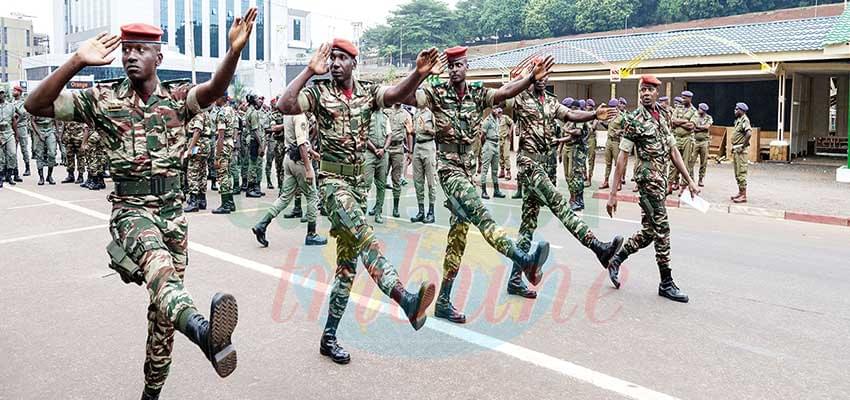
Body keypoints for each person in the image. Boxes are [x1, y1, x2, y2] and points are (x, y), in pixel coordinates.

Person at [24, 12, 258, 398]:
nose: (131, 55)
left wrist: (234, 51)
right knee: (160, 269)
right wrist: (77, 61)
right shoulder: (102, 100)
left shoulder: (179, 99)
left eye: (141, 49)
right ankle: (203, 332)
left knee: (164, 318)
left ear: (158, 57)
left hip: (173, 215)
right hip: (132, 213)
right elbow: (37, 104)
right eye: (126, 49)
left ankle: (151, 393)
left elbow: (216, 88)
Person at [277, 38, 442, 364]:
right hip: (331, 185)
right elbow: (285, 104)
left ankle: (328, 338)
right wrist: (310, 70)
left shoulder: (369, 92)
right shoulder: (318, 93)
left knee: (346, 271)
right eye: (332, 58)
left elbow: (395, 94)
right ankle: (406, 298)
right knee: (367, 238)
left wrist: (418, 74)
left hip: (356, 186)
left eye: (342, 58)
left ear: (355, 62)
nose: (335, 63)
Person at [407, 47, 553, 324]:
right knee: (483, 218)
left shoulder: (477, 93)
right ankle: (526, 260)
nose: (454, 70)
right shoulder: (436, 92)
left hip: (468, 171)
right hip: (449, 172)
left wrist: (531, 79)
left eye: (458, 65)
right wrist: (420, 74)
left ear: (467, 67)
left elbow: (505, 93)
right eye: (450, 66)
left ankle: (444, 301)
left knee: (457, 239)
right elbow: (405, 97)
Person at [502, 74, 623, 299]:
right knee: (560, 205)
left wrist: (594, 114)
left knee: (528, 225)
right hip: (529, 164)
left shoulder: (549, 101)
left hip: (545, 164)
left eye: (544, 76)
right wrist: (522, 79)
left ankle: (515, 279)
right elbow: (501, 96)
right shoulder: (519, 98)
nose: (541, 79)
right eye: (537, 75)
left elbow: (570, 114)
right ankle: (598, 247)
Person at [605, 74, 698, 304]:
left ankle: (616, 259)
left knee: (649, 232)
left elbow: (673, 150)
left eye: (649, 90)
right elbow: (623, 157)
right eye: (642, 90)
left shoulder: (665, 115)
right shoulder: (633, 120)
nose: (645, 93)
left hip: (661, 182)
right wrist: (613, 193)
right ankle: (666, 283)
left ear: (657, 93)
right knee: (662, 230)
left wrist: (689, 180)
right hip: (647, 182)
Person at [251, 112, 328, 247]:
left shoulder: (288, 113)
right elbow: (301, 144)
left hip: (289, 158)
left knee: (284, 197)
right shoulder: (299, 115)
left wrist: (312, 152)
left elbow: (296, 140)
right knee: (312, 196)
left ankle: (262, 225)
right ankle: (311, 234)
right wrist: (309, 168)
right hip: (299, 161)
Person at [408, 105, 438, 224]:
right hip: (418, 146)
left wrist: (427, 129)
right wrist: (411, 129)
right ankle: (421, 211)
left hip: (428, 146)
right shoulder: (416, 113)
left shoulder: (431, 114)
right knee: (418, 182)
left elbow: (438, 133)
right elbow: (415, 130)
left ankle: (431, 212)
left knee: (431, 182)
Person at [363, 108, 391, 223]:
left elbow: (389, 135)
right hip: (370, 153)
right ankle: (362, 212)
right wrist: (375, 149)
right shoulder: (367, 115)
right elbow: (364, 135)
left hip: (383, 155)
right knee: (366, 184)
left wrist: (383, 149)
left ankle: (378, 212)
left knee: (381, 185)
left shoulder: (385, 116)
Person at [211, 94, 239, 213]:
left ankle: (225, 204)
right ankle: (230, 203)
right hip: (230, 144)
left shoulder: (222, 113)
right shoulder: (231, 110)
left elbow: (221, 135)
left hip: (223, 144)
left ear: (221, 98)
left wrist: (217, 156)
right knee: (226, 174)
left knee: (222, 175)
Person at [183, 109, 213, 212]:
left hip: (198, 145)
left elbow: (197, 130)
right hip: (205, 145)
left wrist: (190, 148)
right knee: (202, 172)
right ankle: (202, 200)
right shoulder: (206, 113)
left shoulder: (198, 113)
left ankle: (193, 201)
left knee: (192, 172)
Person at [669, 90, 698, 193]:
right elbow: (672, 121)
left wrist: (679, 123)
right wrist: (685, 121)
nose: (683, 99)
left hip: (687, 139)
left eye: (685, 98)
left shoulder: (694, 111)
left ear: (690, 99)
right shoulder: (678, 108)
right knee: (673, 162)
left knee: (685, 163)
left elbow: (691, 126)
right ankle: (669, 185)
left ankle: (683, 187)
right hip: (676, 138)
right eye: (682, 97)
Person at [386, 103, 411, 218]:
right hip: (385, 148)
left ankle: (395, 208)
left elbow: (410, 133)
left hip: (398, 149)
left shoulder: (406, 114)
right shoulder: (386, 111)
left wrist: (410, 151)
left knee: (396, 179)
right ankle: (378, 206)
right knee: (381, 178)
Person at [479, 108, 505, 199]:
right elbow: (482, 136)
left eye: (498, 108)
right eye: (494, 108)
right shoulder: (487, 121)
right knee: (485, 169)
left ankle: (496, 190)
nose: (497, 110)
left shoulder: (497, 119)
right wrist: (484, 147)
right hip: (489, 143)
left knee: (495, 169)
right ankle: (483, 191)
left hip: (496, 144)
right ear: (491, 110)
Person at [244, 94, 266, 198]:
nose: (259, 100)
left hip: (252, 139)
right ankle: (250, 188)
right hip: (254, 140)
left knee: (254, 164)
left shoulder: (249, 110)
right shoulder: (253, 113)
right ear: (253, 100)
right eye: (257, 99)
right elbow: (255, 130)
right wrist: (261, 144)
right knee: (253, 165)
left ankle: (253, 188)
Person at [600, 98, 624, 190]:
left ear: (617, 107)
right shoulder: (609, 116)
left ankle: (618, 183)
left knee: (617, 164)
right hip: (608, 141)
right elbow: (608, 127)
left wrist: (620, 131)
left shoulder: (621, 117)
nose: (612, 109)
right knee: (608, 163)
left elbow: (628, 129)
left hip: (616, 142)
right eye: (610, 107)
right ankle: (606, 181)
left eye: (613, 107)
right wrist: (602, 123)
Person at [731, 102, 752, 203]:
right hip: (736, 149)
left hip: (741, 151)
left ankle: (743, 195)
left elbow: (748, 133)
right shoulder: (739, 120)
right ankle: (740, 192)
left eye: (737, 109)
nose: (735, 111)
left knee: (741, 172)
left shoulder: (745, 120)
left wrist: (743, 146)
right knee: (737, 172)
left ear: (741, 111)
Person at [30, 114, 59, 185]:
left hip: (50, 130)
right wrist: (39, 134)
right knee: (39, 154)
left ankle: (49, 176)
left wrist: (57, 132)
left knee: (52, 153)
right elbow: (32, 121)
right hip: (39, 130)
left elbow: (55, 119)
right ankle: (41, 177)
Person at [0, 87, 20, 186]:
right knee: (1, 158)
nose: (0, 95)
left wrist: (16, 135)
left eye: (1, 93)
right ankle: (1, 177)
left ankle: (9, 175)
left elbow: (14, 121)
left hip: (9, 132)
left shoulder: (10, 106)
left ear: (4, 94)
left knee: (12, 153)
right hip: (0, 133)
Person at [12, 86, 32, 178]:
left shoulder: (23, 103)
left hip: (21, 127)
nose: (13, 91)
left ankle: (27, 168)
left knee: (24, 149)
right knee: (13, 150)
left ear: (19, 92)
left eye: (15, 90)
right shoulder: (11, 102)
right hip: (12, 128)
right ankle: (14, 169)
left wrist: (15, 118)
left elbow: (23, 114)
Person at [692, 103, 713, 187]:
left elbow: (707, 127)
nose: (699, 110)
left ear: (704, 111)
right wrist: (701, 128)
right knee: (691, 161)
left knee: (703, 162)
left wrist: (697, 128)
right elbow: (693, 127)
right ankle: (691, 178)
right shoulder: (694, 117)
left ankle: (701, 179)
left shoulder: (709, 118)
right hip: (695, 141)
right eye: (699, 108)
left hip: (704, 141)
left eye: (701, 109)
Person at [497, 106, 514, 180]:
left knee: (506, 155)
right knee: (500, 156)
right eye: (498, 113)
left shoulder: (505, 118)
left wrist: (510, 132)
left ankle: (508, 172)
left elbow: (512, 123)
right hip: (498, 139)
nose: (499, 114)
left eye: (500, 112)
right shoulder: (495, 120)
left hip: (505, 139)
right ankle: (502, 171)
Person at [584, 98, 598, 187]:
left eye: (591, 106)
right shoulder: (584, 114)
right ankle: (584, 176)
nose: (589, 107)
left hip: (591, 139)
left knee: (590, 159)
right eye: (588, 105)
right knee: (582, 159)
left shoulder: (595, 116)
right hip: (583, 139)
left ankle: (589, 178)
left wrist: (587, 123)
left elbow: (593, 128)